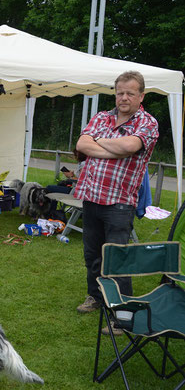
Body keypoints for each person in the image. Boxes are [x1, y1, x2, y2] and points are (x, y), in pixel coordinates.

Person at [74, 71, 159, 335]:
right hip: (92, 198)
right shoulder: (102, 117)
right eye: (120, 92)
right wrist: (111, 146)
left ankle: (123, 316)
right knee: (92, 255)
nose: (123, 97)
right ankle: (96, 297)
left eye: (130, 93)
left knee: (118, 259)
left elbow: (131, 146)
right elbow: (81, 144)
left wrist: (98, 143)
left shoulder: (147, 122)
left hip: (119, 203)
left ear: (141, 96)